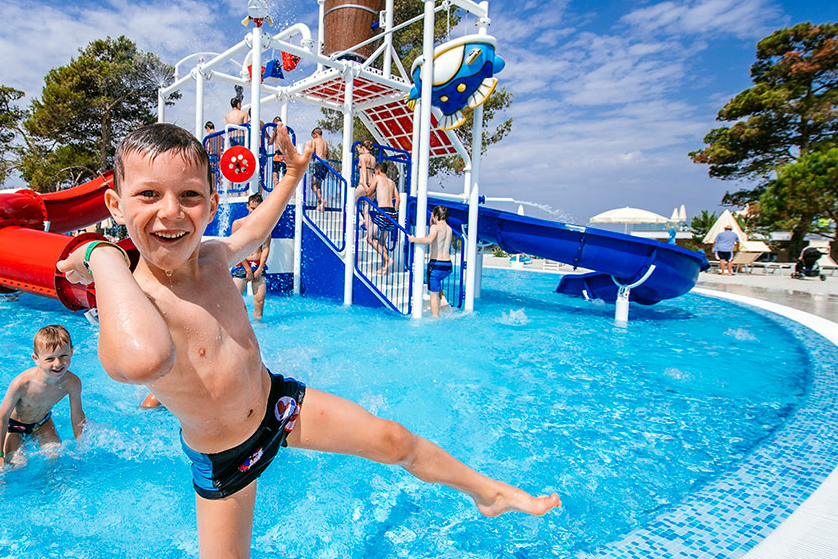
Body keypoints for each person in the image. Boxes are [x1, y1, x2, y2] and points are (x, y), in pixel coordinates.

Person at [56, 123, 560, 558]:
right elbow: (141, 361)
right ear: (115, 205)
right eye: (148, 195)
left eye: (189, 195)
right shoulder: (133, 295)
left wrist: (294, 175)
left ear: (211, 203)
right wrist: (102, 255)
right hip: (226, 457)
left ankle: (486, 493)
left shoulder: (212, 258)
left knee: (394, 439)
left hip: (279, 405)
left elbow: (252, 229)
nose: (170, 212)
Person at [0, 324, 86, 470]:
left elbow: (77, 416)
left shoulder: (72, 382)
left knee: (55, 459)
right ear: (36, 359)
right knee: (16, 465)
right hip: (15, 427)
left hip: (43, 424)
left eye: (63, 356)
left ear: (71, 352)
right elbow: (1, 418)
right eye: (50, 359)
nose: (58, 364)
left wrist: (81, 445)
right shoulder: (22, 384)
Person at [231, 192, 271, 321]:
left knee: (260, 301)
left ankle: (258, 327)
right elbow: (235, 247)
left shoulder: (266, 225)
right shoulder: (238, 224)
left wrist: (259, 268)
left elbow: (266, 247)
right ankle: (237, 326)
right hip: (242, 265)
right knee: (235, 301)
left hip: (258, 265)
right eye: (253, 208)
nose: (255, 211)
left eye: (258, 209)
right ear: (248, 206)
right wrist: (247, 269)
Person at [409, 206, 453, 318]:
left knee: (433, 296)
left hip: (436, 265)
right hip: (448, 266)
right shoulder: (449, 229)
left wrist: (414, 240)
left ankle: (435, 318)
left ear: (436, 216)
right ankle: (443, 299)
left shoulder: (435, 227)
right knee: (437, 280)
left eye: (432, 215)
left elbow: (429, 240)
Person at [358, 162, 400, 274]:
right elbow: (398, 199)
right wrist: (394, 212)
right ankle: (384, 268)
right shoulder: (392, 182)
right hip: (392, 213)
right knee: (382, 242)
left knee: (370, 239)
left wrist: (362, 186)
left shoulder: (377, 178)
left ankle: (388, 259)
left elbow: (369, 192)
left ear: (377, 171)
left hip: (383, 211)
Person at [307, 127, 330, 212]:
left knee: (312, 185)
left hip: (319, 163)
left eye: (313, 136)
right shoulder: (325, 142)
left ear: (315, 134)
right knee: (318, 186)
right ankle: (320, 206)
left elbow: (312, 152)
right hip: (325, 164)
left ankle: (322, 199)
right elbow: (327, 154)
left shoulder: (315, 141)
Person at [268, 116, 286, 187]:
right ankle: (279, 188)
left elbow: (270, 142)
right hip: (283, 154)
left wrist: (273, 133)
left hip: (279, 154)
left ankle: (276, 188)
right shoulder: (284, 131)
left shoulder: (276, 132)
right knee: (283, 173)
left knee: (275, 173)